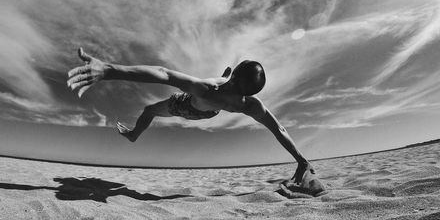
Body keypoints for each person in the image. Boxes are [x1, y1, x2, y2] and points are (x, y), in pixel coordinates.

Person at [67, 48, 316, 184]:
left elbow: (163, 73)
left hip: (188, 106)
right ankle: (224, 74)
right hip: (208, 109)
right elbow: (279, 129)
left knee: (148, 110)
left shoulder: (208, 89)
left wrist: (109, 70)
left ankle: (133, 136)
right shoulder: (249, 105)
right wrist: (301, 159)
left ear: (237, 80)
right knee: (198, 98)